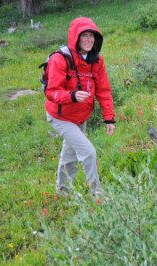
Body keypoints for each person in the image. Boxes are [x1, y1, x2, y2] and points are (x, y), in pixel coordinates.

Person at [45, 17, 115, 198]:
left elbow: (104, 91)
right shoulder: (60, 59)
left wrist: (109, 118)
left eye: (92, 36)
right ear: (76, 37)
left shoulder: (96, 61)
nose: (89, 40)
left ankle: (62, 192)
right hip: (60, 116)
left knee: (69, 157)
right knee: (88, 152)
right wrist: (72, 96)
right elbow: (51, 92)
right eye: (84, 35)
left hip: (80, 117)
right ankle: (97, 194)